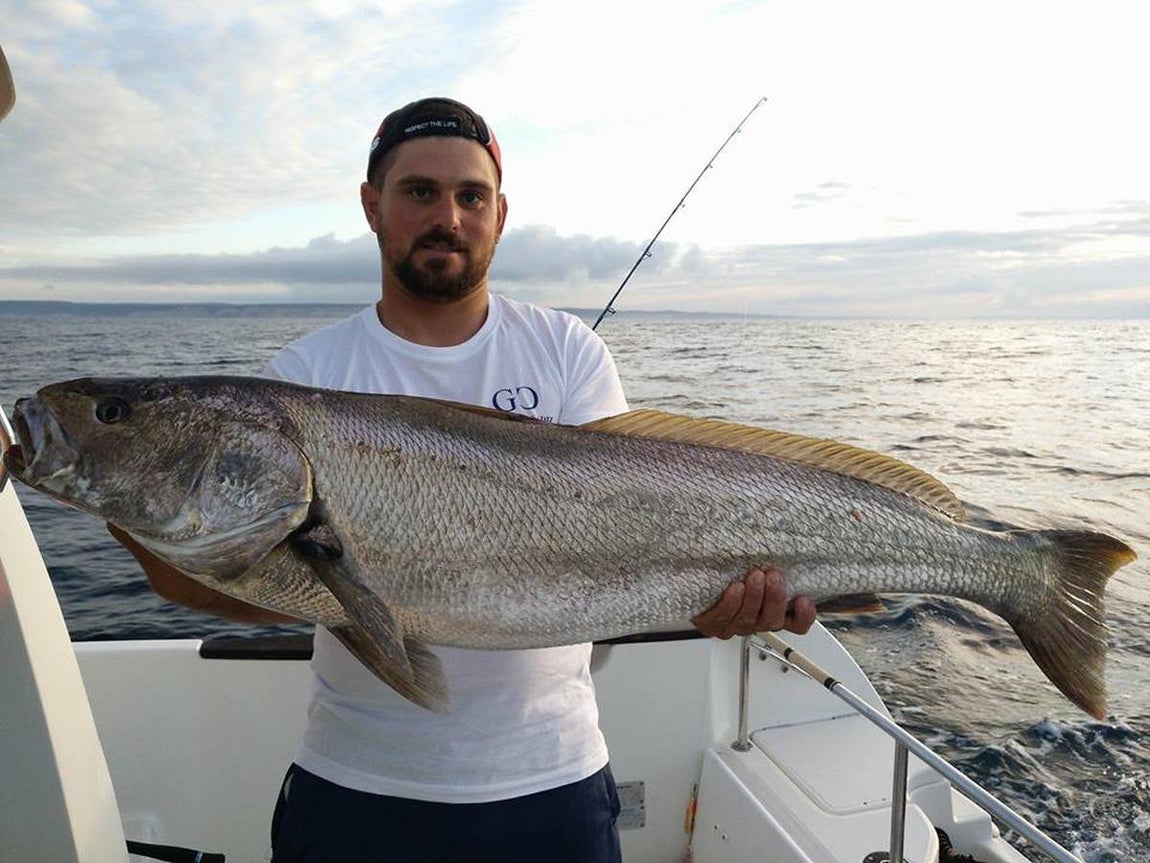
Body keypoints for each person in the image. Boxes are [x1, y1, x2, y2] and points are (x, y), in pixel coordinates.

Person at [114, 97, 817, 862]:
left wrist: (709, 607)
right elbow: (225, 585)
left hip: (553, 781)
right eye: (419, 192)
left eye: (470, 196)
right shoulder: (307, 376)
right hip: (357, 785)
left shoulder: (567, 351)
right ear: (372, 205)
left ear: (500, 214)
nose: (447, 215)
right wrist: (117, 491)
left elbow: (630, 539)